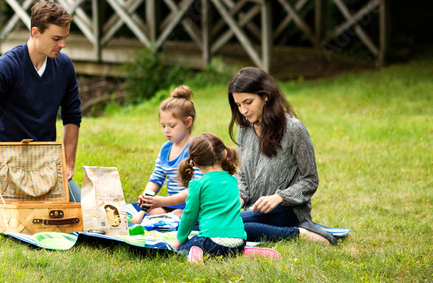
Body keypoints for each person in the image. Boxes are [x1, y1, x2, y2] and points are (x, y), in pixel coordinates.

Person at [0, 1, 82, 219]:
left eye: (65, 37)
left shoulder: (65, 66)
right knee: (26, 219)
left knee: (77, 213)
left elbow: (72, 114)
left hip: (47, 163)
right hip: (10, 162)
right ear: (35, 32)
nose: (63, 44)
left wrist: (68, 160)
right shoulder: (7, 65)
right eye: (57, 38)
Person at [228, 67, 336, 245]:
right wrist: (239, 197)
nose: (243, 110)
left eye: (248, 102)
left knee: (229, 227)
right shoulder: (244, 128)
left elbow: (310, 180)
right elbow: (242, 174)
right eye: (238, 105)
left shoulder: (294, 129)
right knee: (207, 222)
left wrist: (280, 197)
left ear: (265, 96)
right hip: (253, 210)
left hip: (287, 210)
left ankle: (300, 233)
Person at [167, 133, 247, 263]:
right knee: (225, 249)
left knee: (184, 248)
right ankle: (244, 252)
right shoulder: (232, 180)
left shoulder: (198, 184)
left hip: (212, 242)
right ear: (223, 154)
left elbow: (189, 216)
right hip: (239, 242)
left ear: (195, 163)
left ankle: (195, 254)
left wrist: (179, 240)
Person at [130, 85, 199, 224]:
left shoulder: (196, 149)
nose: (166, 131)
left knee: (179, 214)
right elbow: (156, 179)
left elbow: (195, 191)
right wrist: (146, 200)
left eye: (172, 126)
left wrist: (162, 201)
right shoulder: (166, 149)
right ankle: (163, 219)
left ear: (188, 122)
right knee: (149, 213)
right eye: (163, 126)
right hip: (171, 205)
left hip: (192, 207)